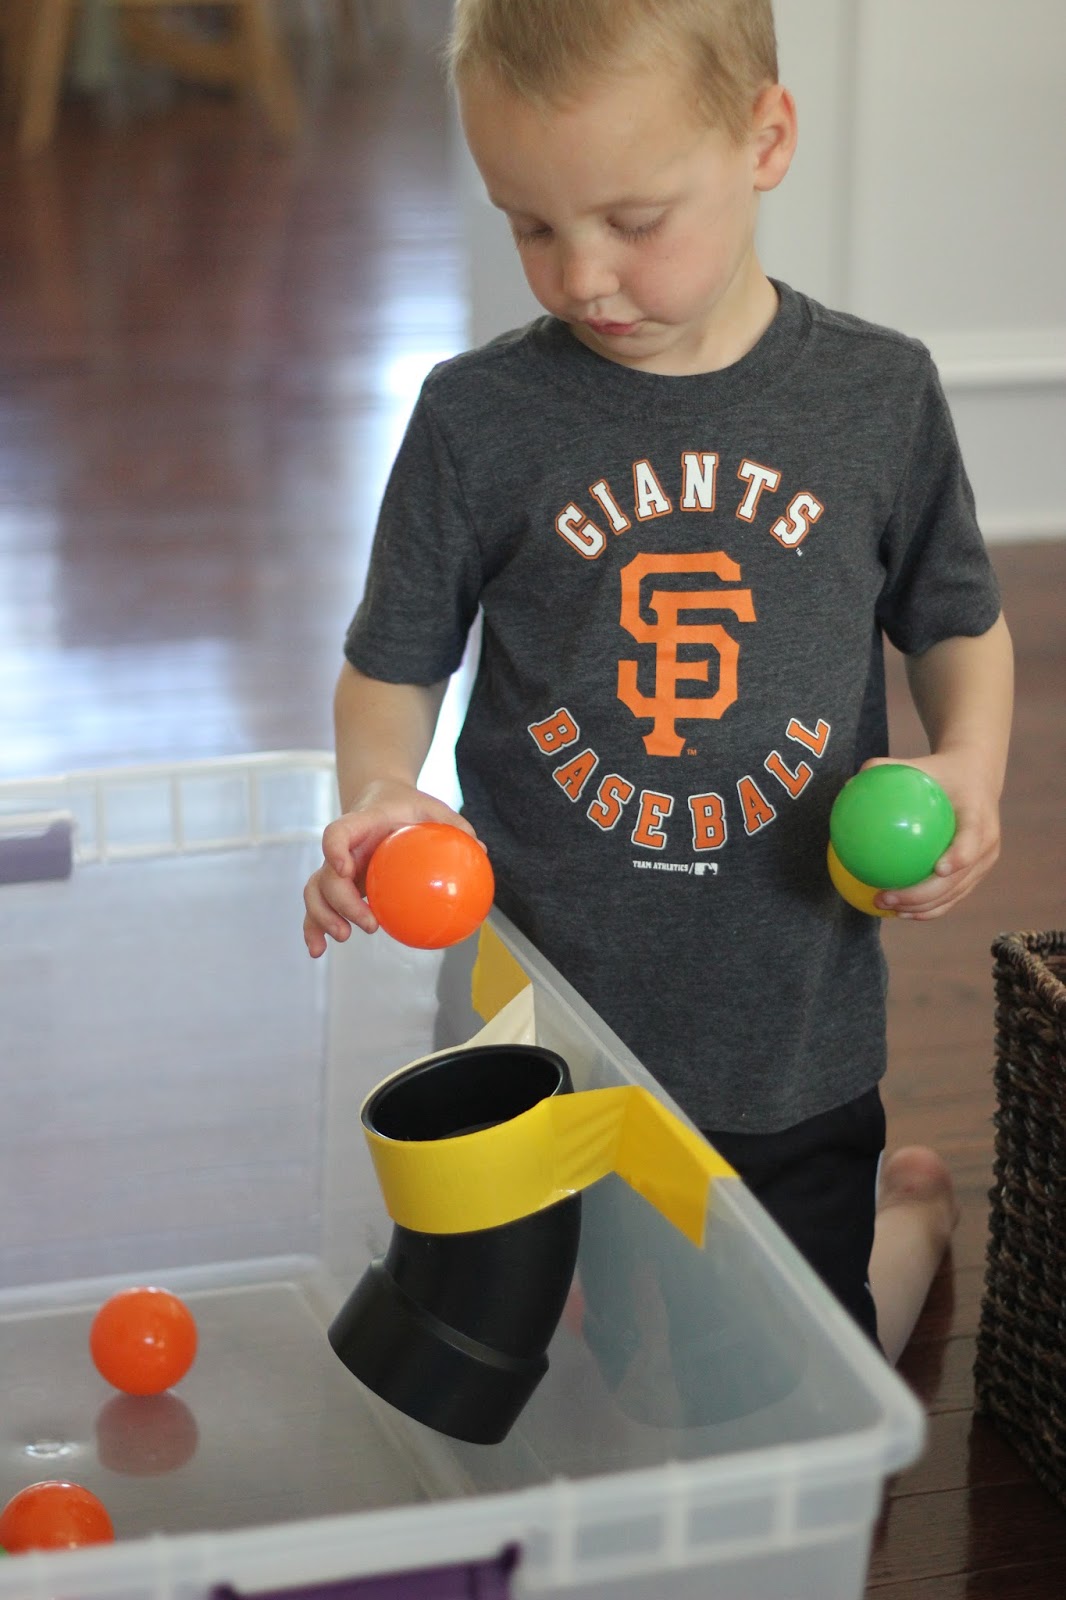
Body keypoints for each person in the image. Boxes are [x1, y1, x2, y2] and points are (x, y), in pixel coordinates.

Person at [302, 0, 1013, 1365]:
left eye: (632, 222)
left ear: (765, 138)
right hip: (535, 1018)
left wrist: (965, 767)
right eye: (529, 222)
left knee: (778, 1391)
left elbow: (956, 621)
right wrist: (381, 791)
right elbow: (391, 660)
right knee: (466, 1373)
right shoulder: (476, 417)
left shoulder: (876, 395)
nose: (577, 277)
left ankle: (901, 1233)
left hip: (780, 1035)